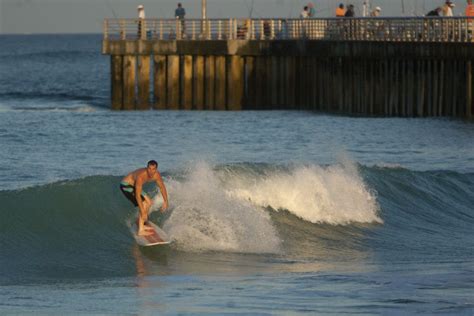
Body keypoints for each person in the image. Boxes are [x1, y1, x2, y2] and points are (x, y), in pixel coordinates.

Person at [120, 160, 169, 236]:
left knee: (149, 202)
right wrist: (142, 210)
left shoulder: (157, 175)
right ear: (147, 168)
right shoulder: (141, 176)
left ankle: (141, 222)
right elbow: (137, 195)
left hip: (134, 186)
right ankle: (141, 230)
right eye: (149, 168)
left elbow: (162, 188)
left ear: (156, 169)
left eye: (153, 169)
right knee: (144, 204)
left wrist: (166, 201)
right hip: (126, 186)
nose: (151, 171)